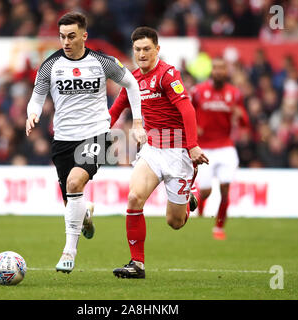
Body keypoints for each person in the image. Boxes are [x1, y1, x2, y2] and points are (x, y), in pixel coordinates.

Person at [25, 12, 146, 273]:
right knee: (72, 203)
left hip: (96, 135)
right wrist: (31, 114)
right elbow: (37, 96)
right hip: (63, 139)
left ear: (83, 36)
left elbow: (132, 83)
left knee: (74, 182)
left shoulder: (102, 62)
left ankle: (69, 253)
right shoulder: (50, 65)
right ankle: (85, 215)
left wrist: (137, 122)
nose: (66, 41)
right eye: (62, 37)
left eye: (71, 36)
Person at [109, 26, 209, 279]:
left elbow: (187, 109)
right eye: (137, 49)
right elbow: (115, 110)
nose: (142, 54)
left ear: (157, 50)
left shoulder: (167, 75)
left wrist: (193, 145)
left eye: (147, 49)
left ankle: (190, 194)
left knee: (175, 222)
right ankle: (137, 264)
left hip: (178, 152)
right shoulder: (131, 80)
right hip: (152, 150)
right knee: (134, 198)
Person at [190, 57, 250, 240]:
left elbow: (245, 121)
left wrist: (240, 116)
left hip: (225, 147)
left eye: (222, 68)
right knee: (206, 191)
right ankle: (200, 212)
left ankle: (219, 227)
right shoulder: (198, 92)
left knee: (225, 187)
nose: (218, 71)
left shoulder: (235, 93)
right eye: (215, 68)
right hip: (204, 147)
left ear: (226, 71)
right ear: (211, 71)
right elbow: (186, 112)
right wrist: (194, 126)